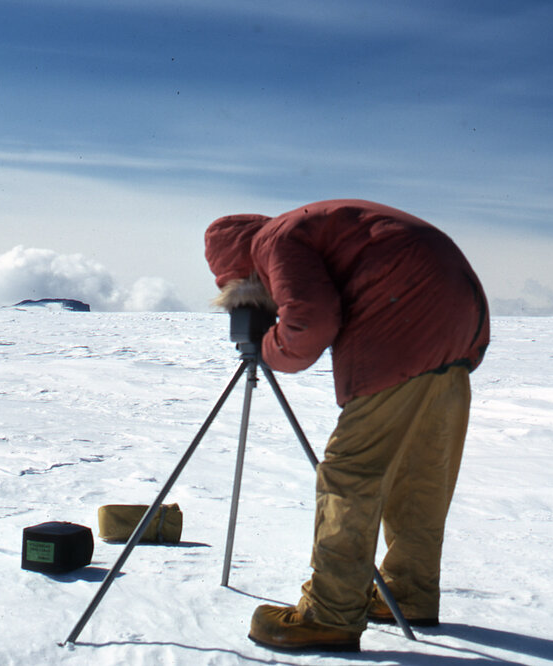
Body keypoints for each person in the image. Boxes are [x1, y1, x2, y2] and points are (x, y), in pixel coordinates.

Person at [204, 199, 490, 652]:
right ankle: (407, 591)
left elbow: (310, 321)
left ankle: (331, 614)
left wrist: (269, 346)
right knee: (420, 469)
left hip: (401, 325)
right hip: (459, 320)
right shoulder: (312, 226)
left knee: (349, 474)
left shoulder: (272, 241)